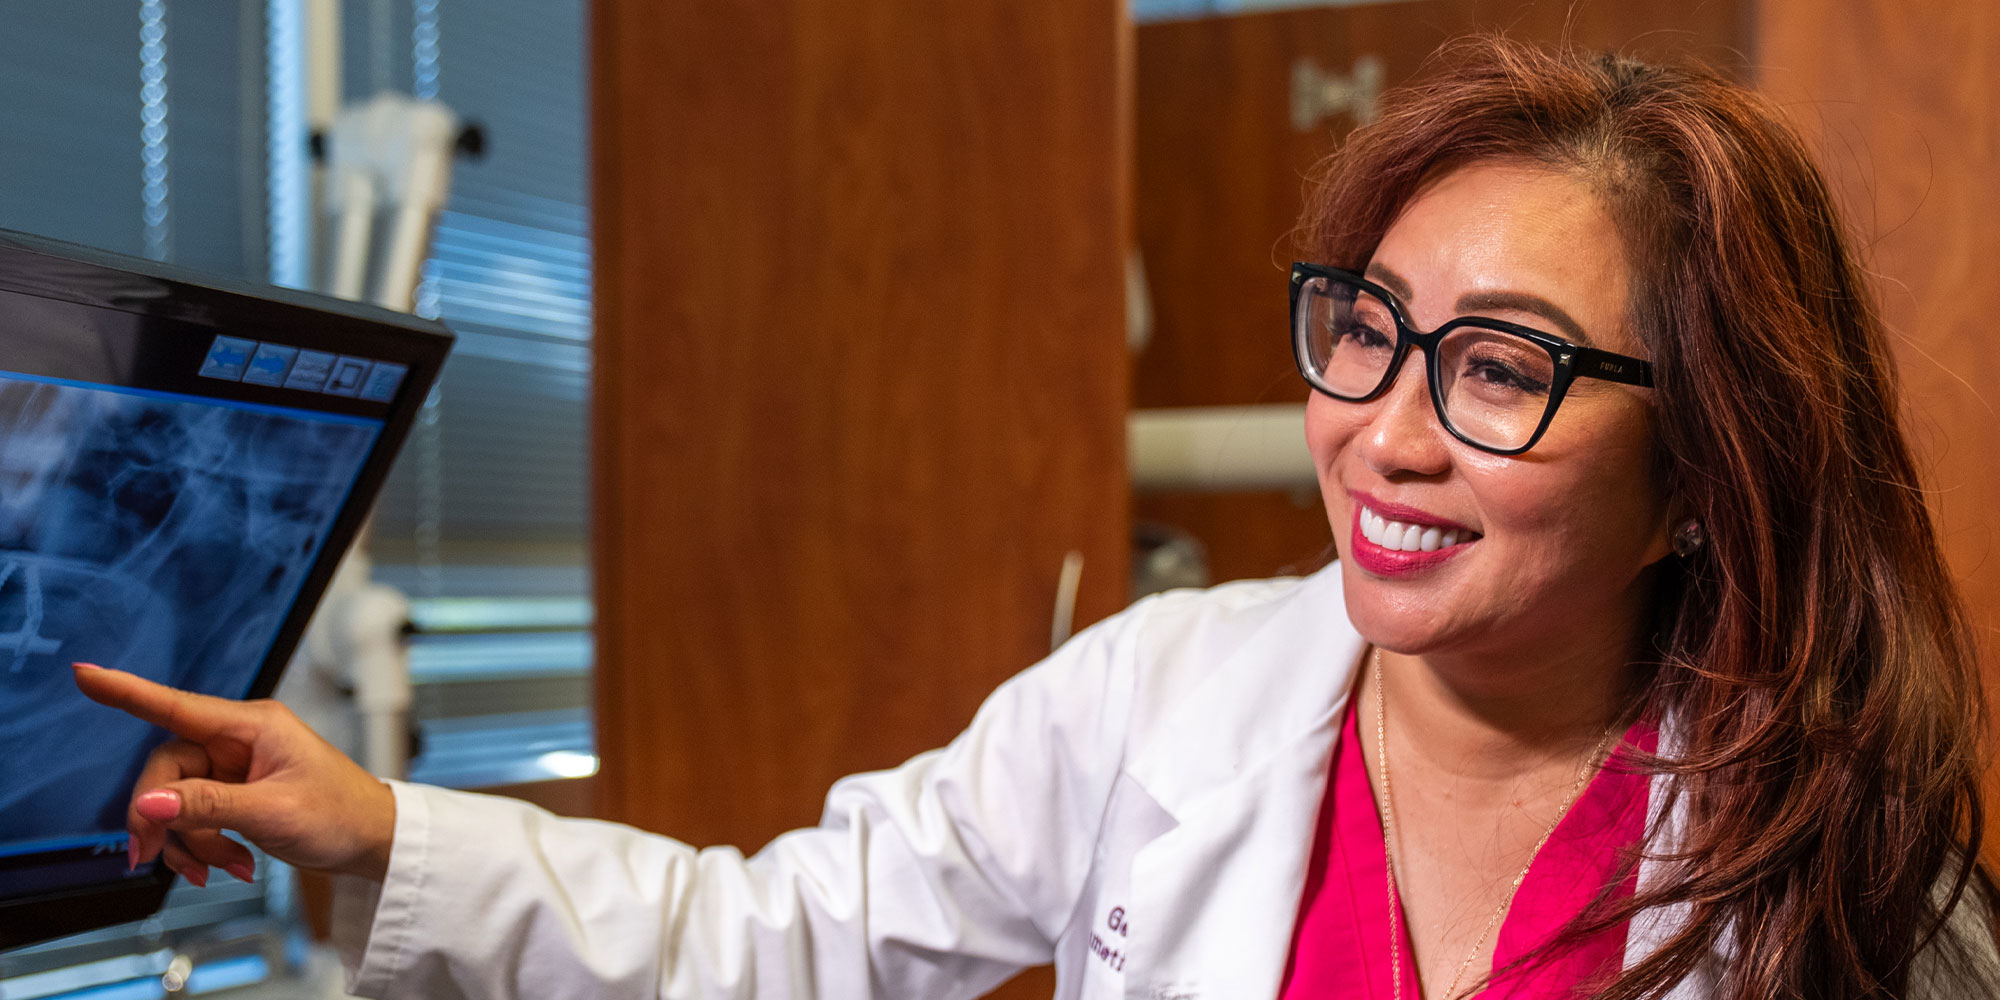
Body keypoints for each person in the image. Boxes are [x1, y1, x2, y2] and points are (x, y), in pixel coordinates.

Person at [72, 36, 2000, 999]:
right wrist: (377, 829)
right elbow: (775, 940)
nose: (1389, 436)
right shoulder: (1169, 696)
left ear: (1704, 470)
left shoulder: (1847, 863)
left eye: (1501, 369)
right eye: (1367, 333)